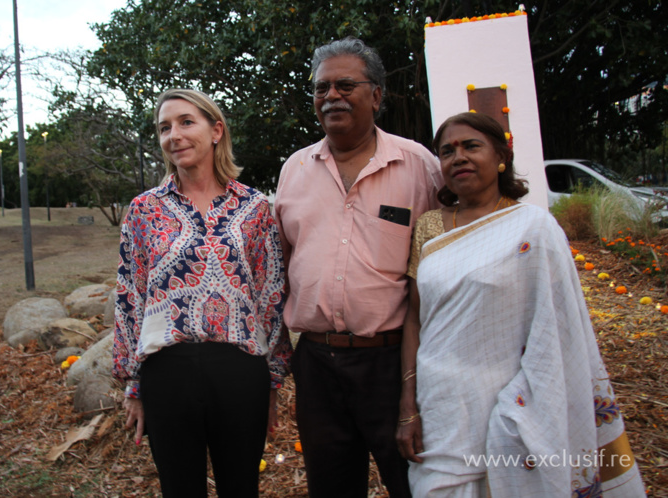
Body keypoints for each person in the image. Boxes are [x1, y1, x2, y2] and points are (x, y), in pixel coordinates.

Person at [396, 112, 646, 496]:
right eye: (447, 151)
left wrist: (524, 405)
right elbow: (414, 320)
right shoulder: (430, 231)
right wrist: (408, 403)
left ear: (501, 157)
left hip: (508, 403)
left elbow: (558, 329)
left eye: (471, 146)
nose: (458, 157)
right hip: (440, 407)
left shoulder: (533, 228)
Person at [274, 37, 443, 498]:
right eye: (321, 88)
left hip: (392, 364)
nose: (331, 96)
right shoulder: (294, 170)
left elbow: (442, 264)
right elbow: (284, 264)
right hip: (317, 363)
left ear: (377, 95)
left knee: (413, 483)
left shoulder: (419, 167)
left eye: (345, 85)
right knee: (331, 487)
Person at [112, 88, 291, 497]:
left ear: (216, 131)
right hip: (167, 373)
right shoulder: (144, 210)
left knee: (241, 487)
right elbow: (130, 297)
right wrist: (134, 384)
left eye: (185, 122)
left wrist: (272, 382)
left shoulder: (255, 208)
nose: (173, 135)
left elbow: (271, 297)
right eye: (164, 127)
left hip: (239, 372)